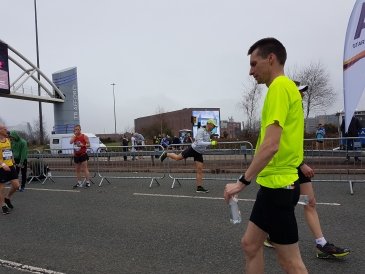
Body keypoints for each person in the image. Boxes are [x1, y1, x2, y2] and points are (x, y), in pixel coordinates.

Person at [224, 38, 308, 273]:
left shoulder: (279, 88)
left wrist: (241, 183)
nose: (250, 71)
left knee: (290, 262)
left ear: (270, 59)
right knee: (250, 245)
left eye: (253, 64)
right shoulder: (287, 87)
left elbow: (271, 145)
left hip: (279, 187)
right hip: (274, 185)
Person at [264, 162, 350, 258]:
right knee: (284, 204)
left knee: (310, 203)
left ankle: (321, 245)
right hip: (285, 170)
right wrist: (302, 164)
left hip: (298, 168)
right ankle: (270, 236)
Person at [159, 119, 218, 193]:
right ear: (209, 124)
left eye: (215, 126)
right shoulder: (201, 131)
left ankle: (199, 188)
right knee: (177, 158)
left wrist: (211, 143)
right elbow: (199, 142)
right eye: (213, 126)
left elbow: (206, 142)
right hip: (192, 149)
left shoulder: (209, 132)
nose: (214, 127)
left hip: (199, 153)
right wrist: (211, 143)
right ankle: (166, 154)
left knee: (200, 170)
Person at [0, 124, 20, 215]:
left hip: (10, 165)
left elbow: (9, 151)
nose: (7, 130)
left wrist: (12, 160)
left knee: (16, 185)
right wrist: (3, 164)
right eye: (5, 129)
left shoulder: (8, 139)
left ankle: (7, 198)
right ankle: (3, 205)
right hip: (1, 167)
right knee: (1, 187)